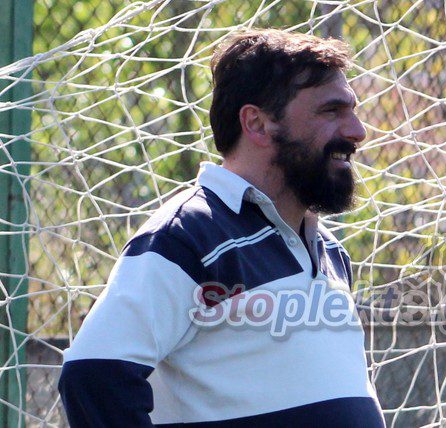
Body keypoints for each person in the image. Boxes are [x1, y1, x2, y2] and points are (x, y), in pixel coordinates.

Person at [58, 29, 385, 427]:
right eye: (331, 111)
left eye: (352, 110)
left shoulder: (329, 248)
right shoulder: (186, 236)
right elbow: (92, 374)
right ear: (257, 124)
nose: (357, 131)